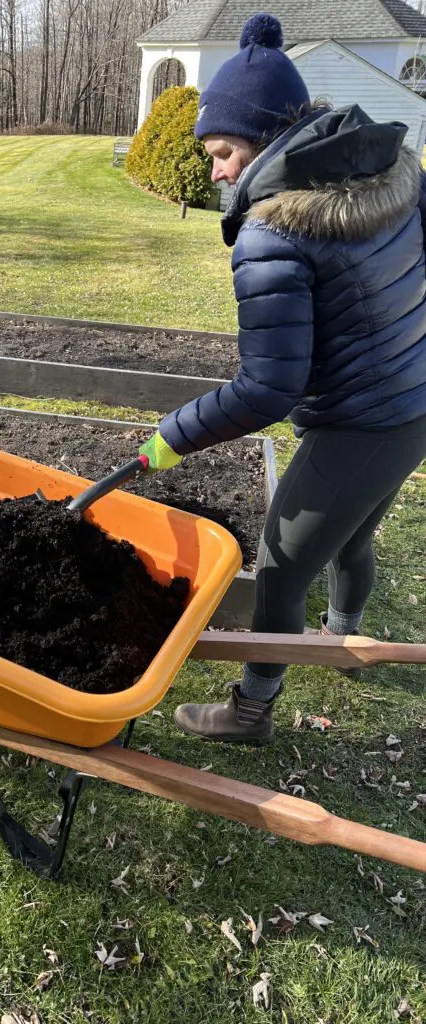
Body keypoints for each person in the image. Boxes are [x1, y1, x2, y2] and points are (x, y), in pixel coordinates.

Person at [137, 12, 426, 744]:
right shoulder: (389, 170)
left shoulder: (274, 231)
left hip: (367, 418)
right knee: (352, 532)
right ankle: (345, 641)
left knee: (279, 564)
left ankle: (251, 711)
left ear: (265, 141)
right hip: (413, 401)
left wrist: (171, 437)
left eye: (224, 151)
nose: (215, 170)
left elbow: (267, 387)